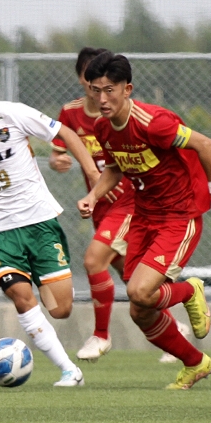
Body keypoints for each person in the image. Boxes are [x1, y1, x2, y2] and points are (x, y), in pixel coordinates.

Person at [77, 51, 211, 389]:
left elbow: (204, 144)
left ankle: (189, 290)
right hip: (143, 216)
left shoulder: (154, 123)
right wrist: (93, 196)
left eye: (110, 89)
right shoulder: (103, 127)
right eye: (96, 90)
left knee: (139, 290)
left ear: (128, 89)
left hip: (179, 216)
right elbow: (114, 167)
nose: (102, 98)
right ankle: (196, 363)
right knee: (140, 308)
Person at [0, 53, 100, 387]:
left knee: (60, 309)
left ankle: (42, 292)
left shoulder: (13, 113)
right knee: (22, 298)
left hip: (40, 223)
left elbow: (67, 134)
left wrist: (92, 173)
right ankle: (69, 370)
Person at [49, 47, 190, 363]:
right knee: (133, 280)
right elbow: (59, 151)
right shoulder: (71, 113)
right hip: (101, 207)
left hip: (129, 201)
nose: (97, 90)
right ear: (81, 79)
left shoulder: (124, 115)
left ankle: (101, 336)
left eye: (105, 85)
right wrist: (57, 159)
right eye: (91, 82)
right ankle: (176, 328)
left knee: (93, 260)